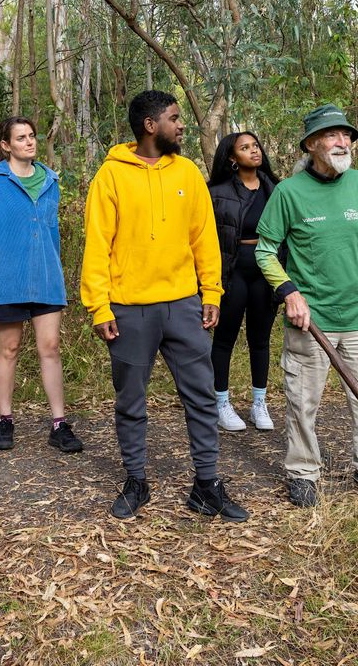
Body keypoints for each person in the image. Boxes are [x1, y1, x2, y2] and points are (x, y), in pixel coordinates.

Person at [81, 89, 247, 522]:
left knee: (202, 397)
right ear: (150, 126)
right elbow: (97, 246)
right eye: (174, 118)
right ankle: (136, 480)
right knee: (131, 401)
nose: (181, 125)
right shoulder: (111, 176)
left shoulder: (188, 173)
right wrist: (99, 307)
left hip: (183, 306)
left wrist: (211, 292)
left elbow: (204, 237)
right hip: (129, 309)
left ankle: (206, 485)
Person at [254, 103, 358, 508]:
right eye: (333, 135)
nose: (343, 142)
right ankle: (303, 472)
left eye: (347, 135)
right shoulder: (288, 192)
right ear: (311, 144)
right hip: (311, 322)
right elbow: (266, 252)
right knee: (303, 401)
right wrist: (290, 293)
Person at [0, 116, 83, 454]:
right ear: (6, 145)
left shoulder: (51, 180)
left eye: (32, 136)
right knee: (10, 348)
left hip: (45, 276)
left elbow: (51, 230)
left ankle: (59, 424)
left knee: (51, 347)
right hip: (3, 278)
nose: (29, 142)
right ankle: (5, 419)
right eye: (20, 138)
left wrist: (52, 263)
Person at [207, 132, 280, 433]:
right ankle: (221, 403)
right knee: (225, 338)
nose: (254, 151)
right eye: (245, 148)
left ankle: (259, 403)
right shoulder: (217, 192)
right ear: (232, 158)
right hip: (232, 272)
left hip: (267, 272)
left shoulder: (275, 188)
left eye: (256, 146)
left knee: (260, 339)